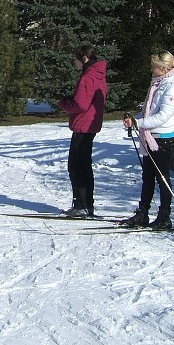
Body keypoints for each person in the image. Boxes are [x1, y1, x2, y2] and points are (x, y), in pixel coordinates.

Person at [121, 50, 174, 229]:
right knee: (147, 177)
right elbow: (148, 111)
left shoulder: (173, 86)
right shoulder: (157, 84)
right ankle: (142, 213)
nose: (151, 69)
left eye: (154, 66)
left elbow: (163, 116)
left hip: (162, 137)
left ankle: (164, 216)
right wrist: (134, 120)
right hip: (150, 136)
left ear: (163, 67)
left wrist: (139, 122)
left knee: (162, 178)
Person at [57, 44, 107, 217]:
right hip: (89, 125)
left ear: (84, 58)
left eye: (76, 59)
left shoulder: (88, 76)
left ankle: (82, 205)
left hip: (83, 125)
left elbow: (80, 104)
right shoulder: (98, 75)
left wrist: (64, 104)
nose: (74, 63)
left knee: (76, 166)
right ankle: (86, 204)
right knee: (84, 165)